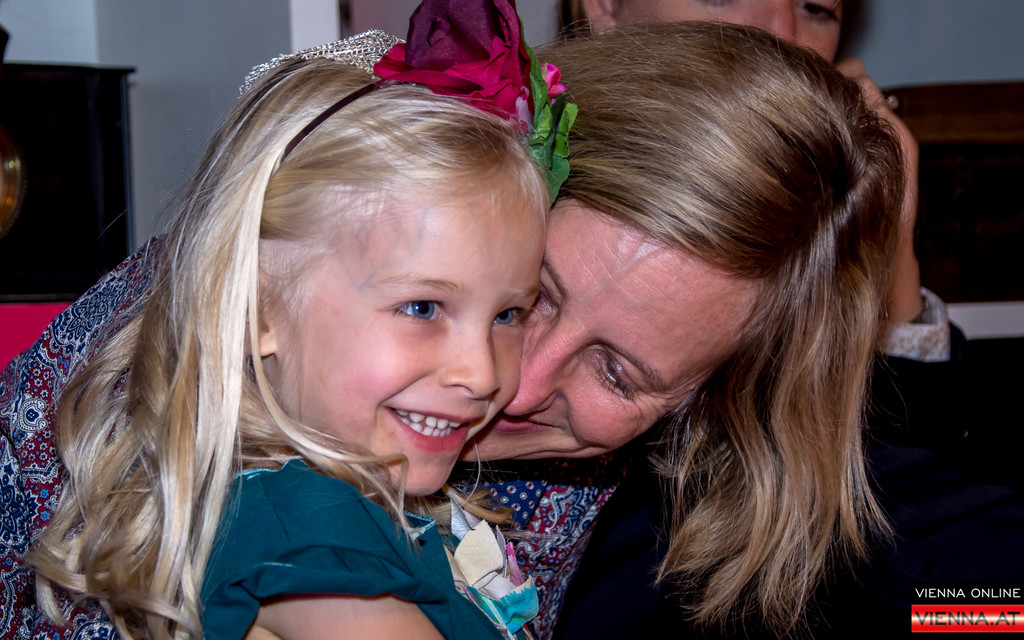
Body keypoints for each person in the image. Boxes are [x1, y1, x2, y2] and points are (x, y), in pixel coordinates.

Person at [2, 1, 576, 635]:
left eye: (508, 314)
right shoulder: (309, 538)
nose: (482, 372)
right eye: (422, 308)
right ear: (256, 309)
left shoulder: (356, 510)